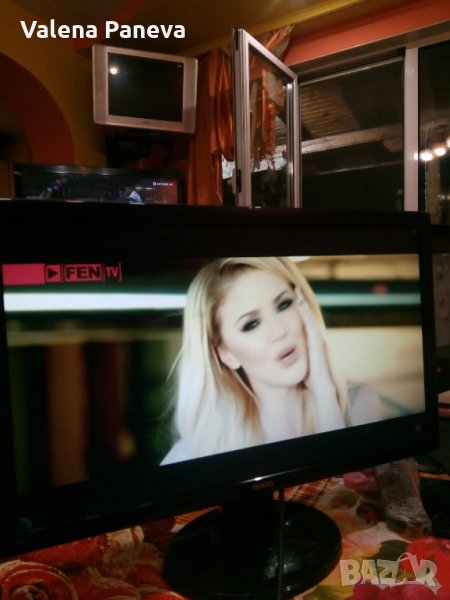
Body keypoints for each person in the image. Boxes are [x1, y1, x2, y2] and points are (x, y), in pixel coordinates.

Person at [161, 256, 356, 465]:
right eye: (251, 324)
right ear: (226, 354)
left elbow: (345, 480)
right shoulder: (193, 456)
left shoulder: (360, 407)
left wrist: (325, 393)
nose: (279, 331)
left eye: (284, 304)